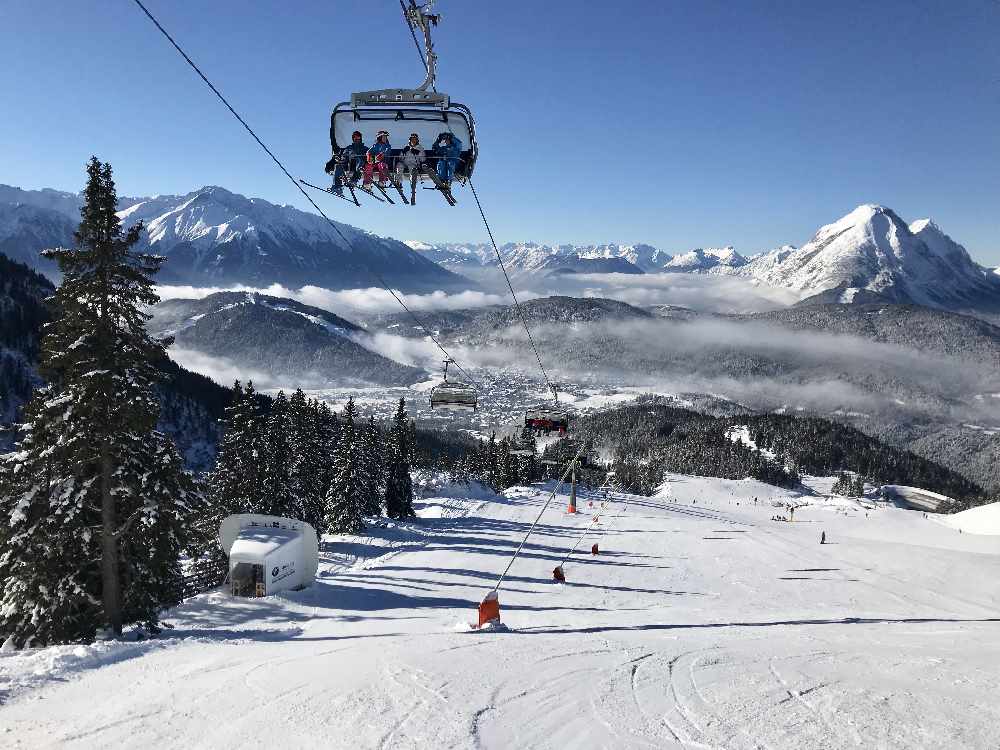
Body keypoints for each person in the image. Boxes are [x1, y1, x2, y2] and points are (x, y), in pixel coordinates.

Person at [326, 130, 367, 196]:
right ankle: (337, 186)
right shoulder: (349, 147)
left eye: (358, 138)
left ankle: (353, 180)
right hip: (348, 163)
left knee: (356, 159)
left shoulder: (364, 148)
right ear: (353, 139)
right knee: (338, 166)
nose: (356, 139)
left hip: (359, 163)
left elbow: (368, 156)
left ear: (360, 138)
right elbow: (344, 156)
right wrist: (341, 159)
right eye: (355, 138)